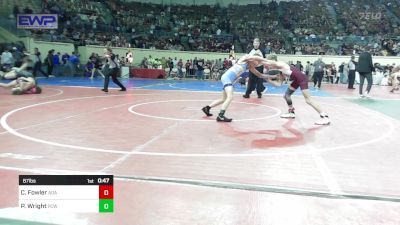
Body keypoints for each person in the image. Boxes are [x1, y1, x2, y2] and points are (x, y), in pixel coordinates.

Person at [256, 55, 330, 125]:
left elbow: (269, 63)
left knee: (308, 100)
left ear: (273, 61)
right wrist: (268, 80)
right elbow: (279, 84)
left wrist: (254, 59)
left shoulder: (281, 64)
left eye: (269, 63)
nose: (269, 66)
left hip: (302, 79)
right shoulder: (281, 71)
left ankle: (325, 117)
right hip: (298, 80)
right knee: (286, 95)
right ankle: (291, 112)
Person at [201, 54, 265, 122]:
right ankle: (221, 115)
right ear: (253, 59)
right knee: (230, 97)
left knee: (223, 99)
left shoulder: (249, 67)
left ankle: (207, 108)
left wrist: (272, 76)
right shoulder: (243, 60)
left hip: (227, 79)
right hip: (227, 78)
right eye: (257, 62)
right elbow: (247, 56)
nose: (258, 64)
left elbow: (260, 75)